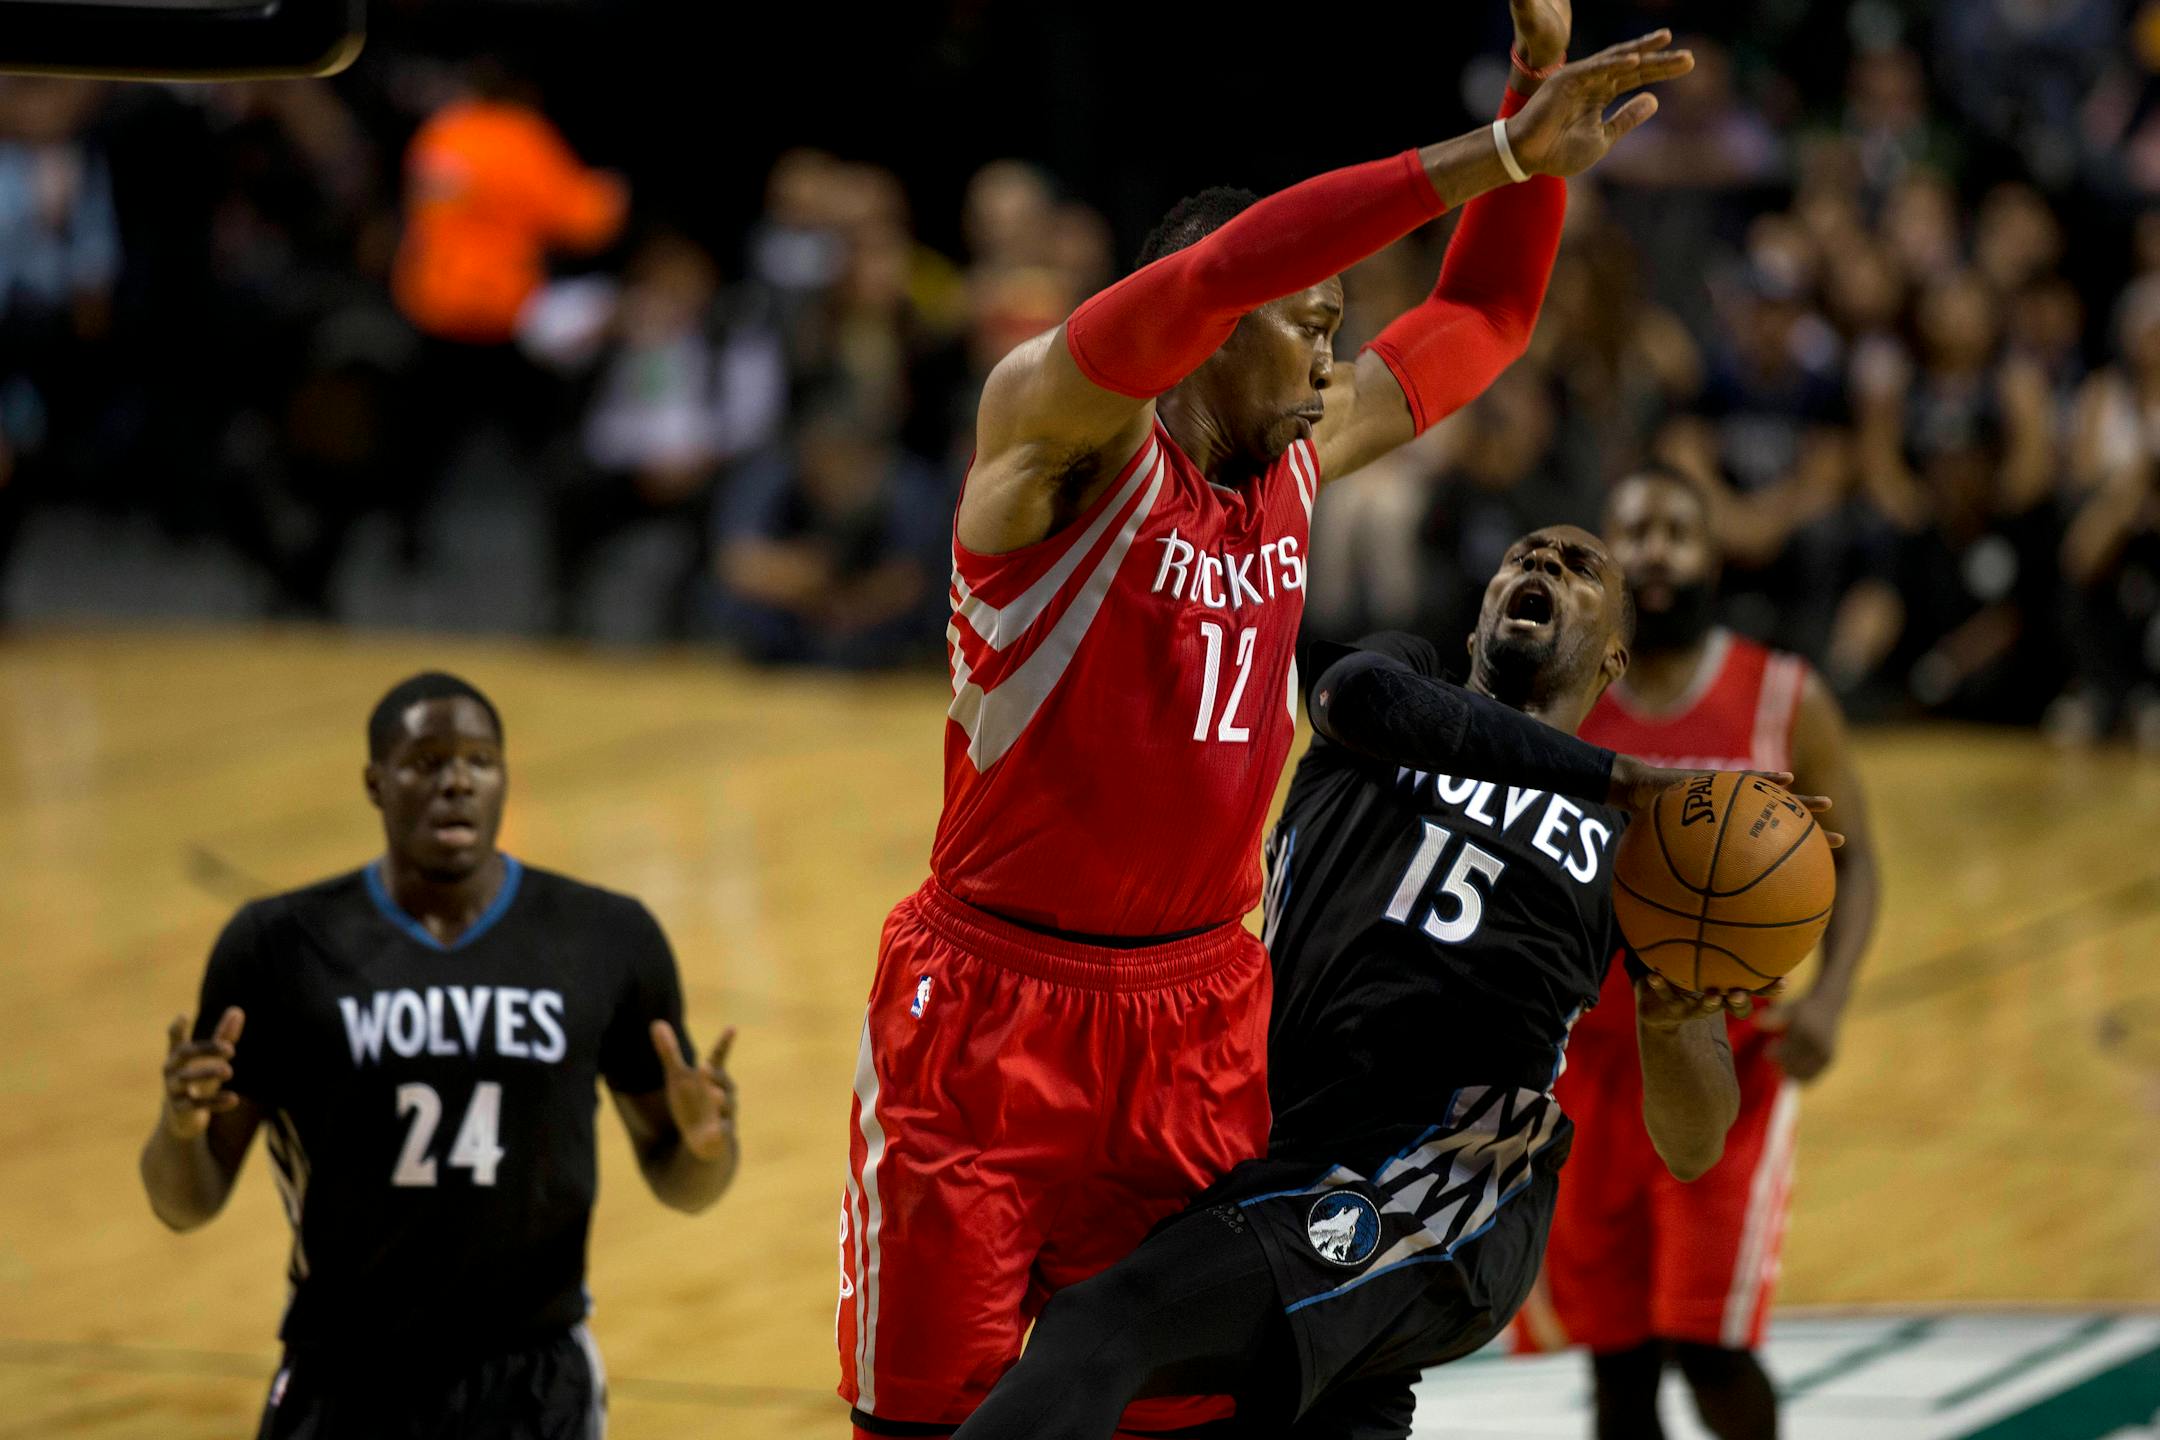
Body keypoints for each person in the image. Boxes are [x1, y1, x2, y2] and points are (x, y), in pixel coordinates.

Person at [837, 7, 1700, 1434]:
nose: (1328, 362)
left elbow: (1482, 320)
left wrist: (1537, 115)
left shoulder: (1300, 456)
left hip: (1194, 1016)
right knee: (932, 1421)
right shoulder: (1054, 433)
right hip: (991, 1008)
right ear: (1207, 328)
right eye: (1307, 327)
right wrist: (1484, 154)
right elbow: (1238, 260)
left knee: (1177, 1406)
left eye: (1337, 335)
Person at [951, 525, 1792, 1440]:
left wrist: (1673, 1020)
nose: (1540, 564)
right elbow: (1349, 693)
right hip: (1279, 1139)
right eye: (1522, 555)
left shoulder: (1640, 851)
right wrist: (1623, 774)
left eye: (1577, 565)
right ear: (1477, 630)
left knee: (1105, 1324)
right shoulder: (1400, 684)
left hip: (1441, 1176)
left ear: (1615, 658)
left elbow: (1694, 1141)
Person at [140, 672, 740, 1440]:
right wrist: (180, 1131)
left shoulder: (604, 937)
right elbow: (184, 1202)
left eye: (479, 761)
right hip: (344, 1369)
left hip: (534, 1376)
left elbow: (690, 1186)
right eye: (427, 762)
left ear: (504, 780)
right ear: (375, 783)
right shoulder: (276, 948)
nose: (456, 782)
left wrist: (705, 1146)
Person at [1515, 465, 1881, 1440]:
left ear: (1714, 555)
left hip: (1731, 1064)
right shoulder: (1558, 696)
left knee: (1712, 1349)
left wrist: (1832, 1000)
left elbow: (1863, 865)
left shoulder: (1785, 696)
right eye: (1636, 531)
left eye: (1680, 531)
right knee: (1618, 1363)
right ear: (1607, 559)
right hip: (1585, 1071)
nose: (1658, 551)